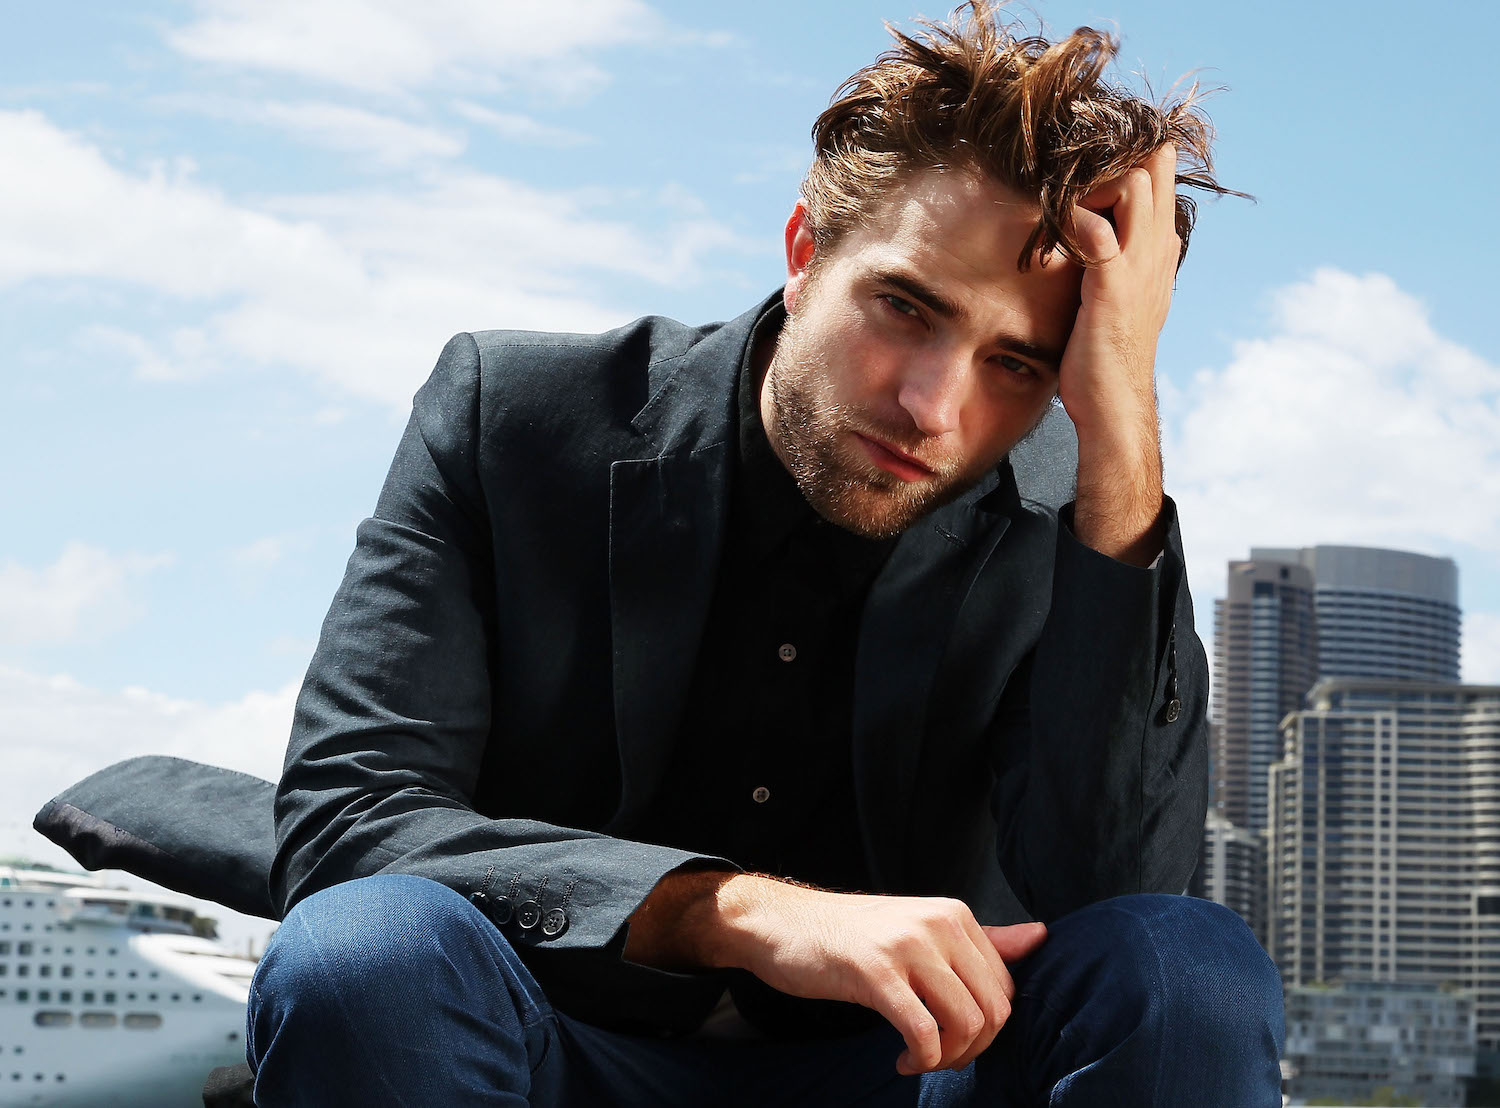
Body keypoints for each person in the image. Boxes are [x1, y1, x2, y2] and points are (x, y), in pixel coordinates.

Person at [247, 3, 1284, 1104]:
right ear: (805, 254)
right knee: (366, 952)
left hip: (913, 1078)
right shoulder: (513, 419)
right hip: (546, 1048)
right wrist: (732, 911)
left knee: (1189, 970)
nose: (935, 407)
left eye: (1016, 366)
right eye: (903, 306)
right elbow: (348, 821)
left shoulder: (1072, 526)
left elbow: (1115, 901)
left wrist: (1119, 426)